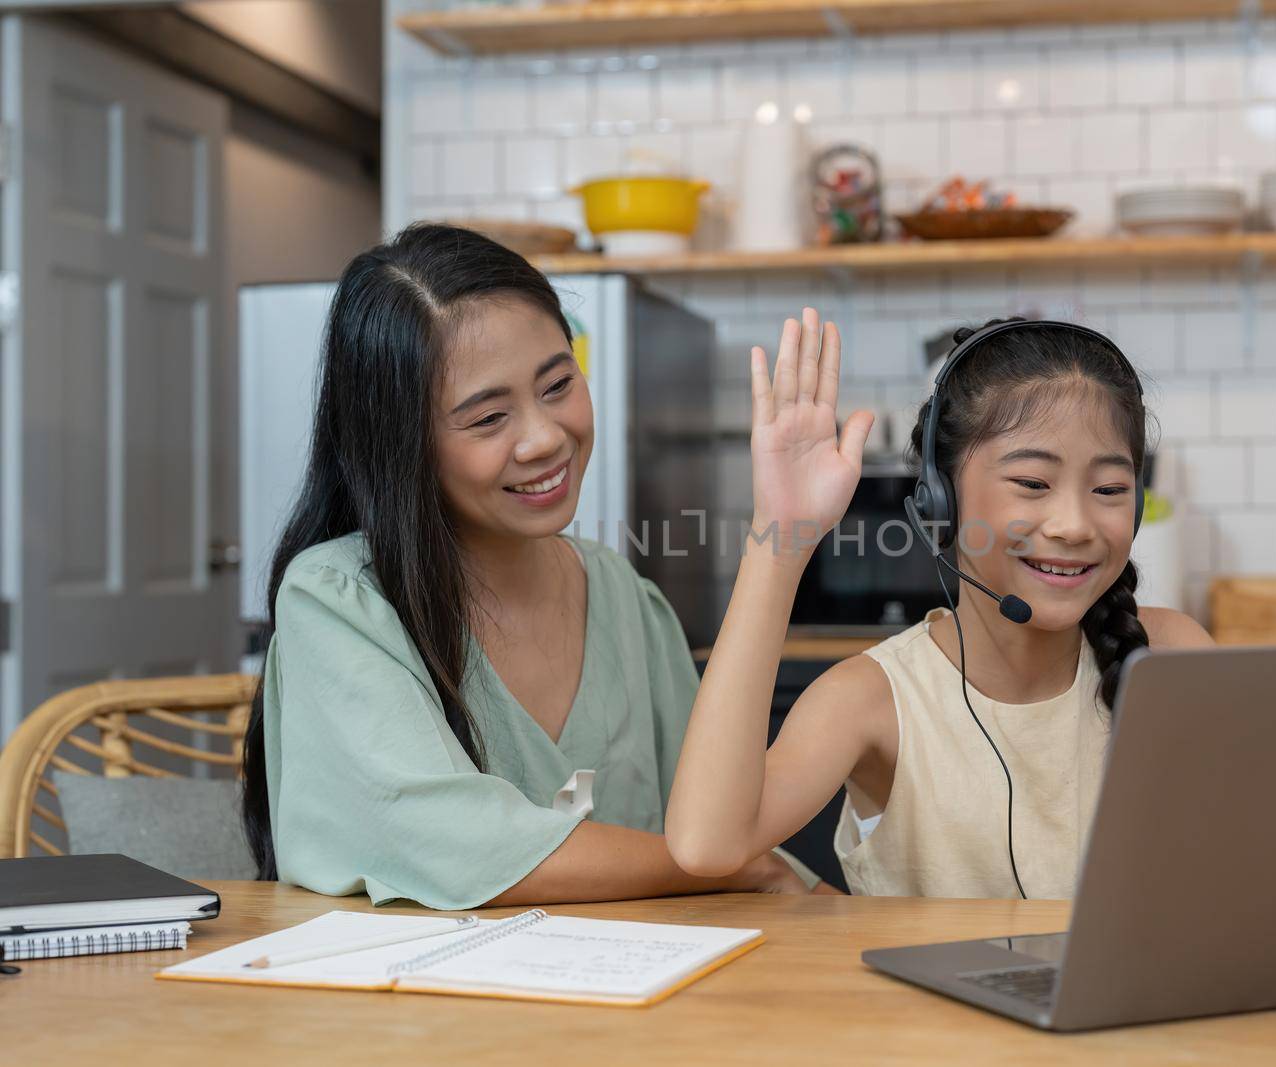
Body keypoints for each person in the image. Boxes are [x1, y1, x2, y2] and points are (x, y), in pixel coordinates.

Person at [239, 224, 848, 909]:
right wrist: (729, 869)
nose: (544, 437)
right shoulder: (339, 602)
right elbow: (461, 848)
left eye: (558, 384)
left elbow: (727, 822)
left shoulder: (622, 595)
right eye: (489, 417)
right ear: (402, 445)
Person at [667, 318, 1213, 898]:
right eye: (1032, 482)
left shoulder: (1171, 657)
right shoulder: (872, 699)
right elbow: (707, 845)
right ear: (940, 498)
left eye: (1108, 489)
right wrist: (781, 537)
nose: (1074, 525)